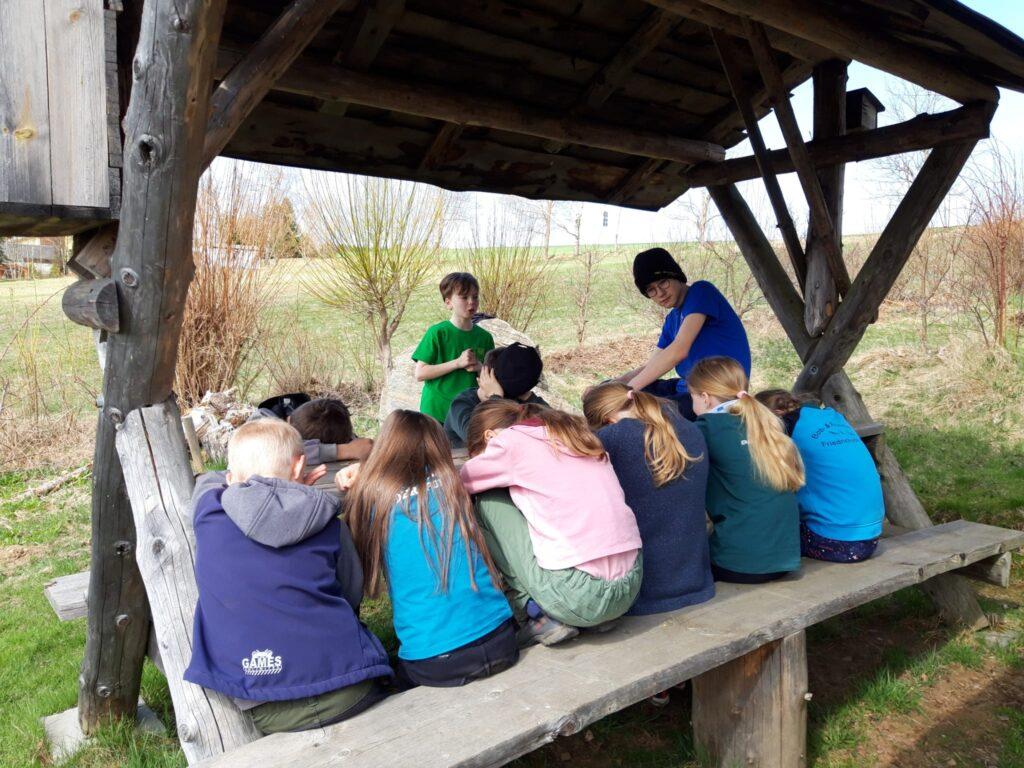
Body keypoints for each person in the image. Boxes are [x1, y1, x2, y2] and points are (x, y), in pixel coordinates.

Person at [184, 419, 392, 734]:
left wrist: (272, 485)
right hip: (350, 686)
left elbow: (208, 480)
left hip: (262, 698)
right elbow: (352, 593)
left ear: (231, 478)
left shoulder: (209, 514)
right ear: (298, 467)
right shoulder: (329, 524)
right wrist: (299, 498)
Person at [341, 410, 518, 688]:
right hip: (503, 640)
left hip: (436, 662)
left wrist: (361, 471)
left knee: (385, 684)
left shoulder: (372, 500)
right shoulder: (454, 484)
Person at [460, 400, 643, 646]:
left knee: (488, 500)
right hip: (631, 585)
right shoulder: (574, 433)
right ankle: (593, 618)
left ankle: (533, 613)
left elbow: (458, 484)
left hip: (577, 596)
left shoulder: (509, 443)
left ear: (490, 437)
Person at [582, 382, 714, 615]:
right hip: (698, 581)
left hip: (644, 593)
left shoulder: (612, 438)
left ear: (608, 419)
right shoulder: (690, 429)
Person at [686, 356, 804, 584]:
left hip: (741, 563)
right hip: (785, 557)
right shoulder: (765, 421)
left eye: (692, 396)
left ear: (705, 397)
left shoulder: (705, 428)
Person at [615, 247, 751, 420]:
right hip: (688, 388)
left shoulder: (701, 292)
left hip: (714, 394)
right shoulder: (672, 319)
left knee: (636, 413)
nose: (660, 293)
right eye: (651, 290)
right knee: (613, 391)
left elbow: (679, 350)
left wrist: (628, 392)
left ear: (677, 276)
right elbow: (653, 365)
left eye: (663, 282)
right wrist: (616, 383)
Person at [756, 389, 884, 563]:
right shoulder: (833, 417)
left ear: (775, 415)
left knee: (759, 537)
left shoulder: (787, 426)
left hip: (838, 541)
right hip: (870, 535)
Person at [413, 272, 495, 423]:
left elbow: (491, 377)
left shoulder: (485, 337)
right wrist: (457, 363)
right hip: (436, 412)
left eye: (475, 297)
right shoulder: (437, 333)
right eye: (464, 297)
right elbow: (420, 373)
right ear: (448, 302)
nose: (471, 302)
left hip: (468, 412)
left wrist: (479, 367)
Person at [444, 342, 548, 449]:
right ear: (485, 376)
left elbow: (554, 425)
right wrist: (495, 398)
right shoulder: (462, 404)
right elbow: (481, 440)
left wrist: (527, 396)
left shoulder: (517, 400)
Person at [289, 397, 374, 464]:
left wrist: (344, 450)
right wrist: (348, 449)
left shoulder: (290, 452)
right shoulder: (351, 442)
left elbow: (292, 451)